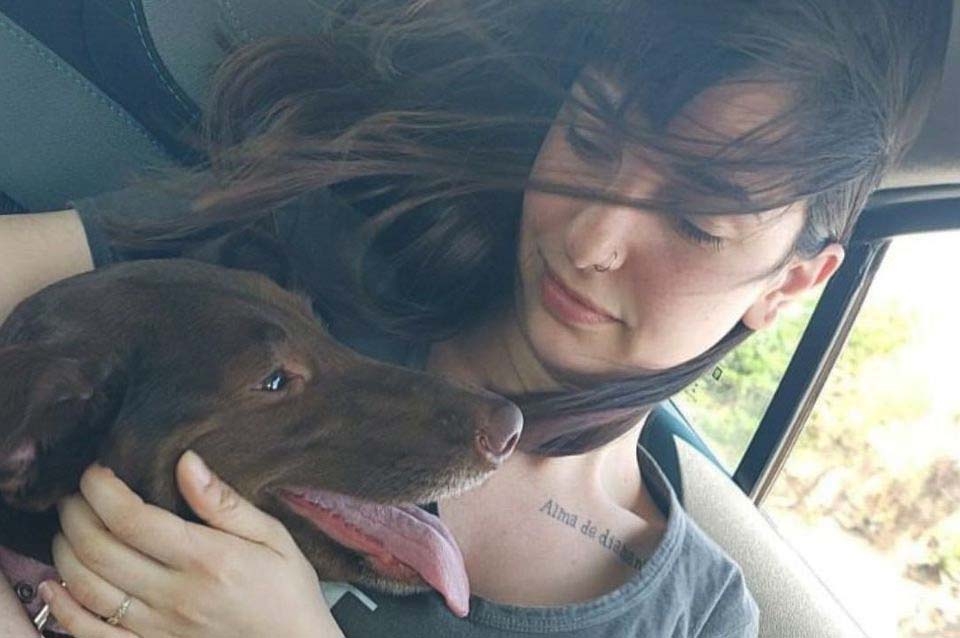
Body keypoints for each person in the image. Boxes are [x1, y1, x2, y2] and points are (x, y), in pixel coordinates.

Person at [0, 0, 951, 636]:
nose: (591, 238)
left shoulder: (693, 618)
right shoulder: (308, 257)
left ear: (792, 284)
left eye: (697, 221)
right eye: (590, 137)